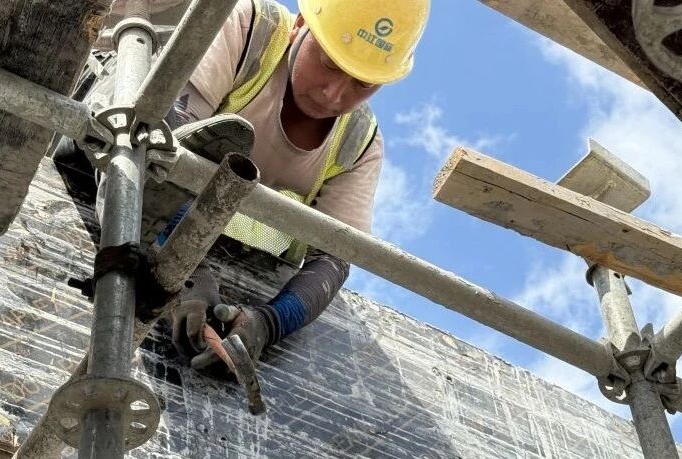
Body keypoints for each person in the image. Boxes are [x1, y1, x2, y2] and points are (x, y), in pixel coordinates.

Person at [84, 0, 429, 372]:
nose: (333, 94)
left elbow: (333, 258)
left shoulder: (358, 144)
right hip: (115, 167)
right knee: (140, 127)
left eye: (362, 84)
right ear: (299, 26)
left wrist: (268, 324)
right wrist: (185, 274)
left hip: (229, 256)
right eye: (328, 63)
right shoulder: (250, 27)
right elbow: (162, 150)